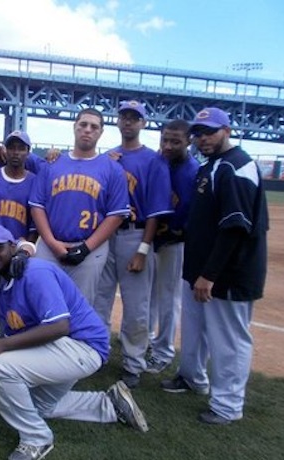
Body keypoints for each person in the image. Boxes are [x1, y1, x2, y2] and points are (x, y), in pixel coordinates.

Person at [0, 225, 148, 460]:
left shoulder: (34, 272)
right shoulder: (6, 284)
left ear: (12, 247)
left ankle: (37, 439)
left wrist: (0, 345)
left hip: (83, 347)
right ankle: (109, 404)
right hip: (66, 348)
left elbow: (59, 326)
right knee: (38, 406)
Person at [161, 107, 268, 426]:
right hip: (199, 270)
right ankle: (192, 377)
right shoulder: (212, 167)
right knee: (195, 332)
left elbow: (235, 228)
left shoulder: (237, 167)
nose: (203, 138)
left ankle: (228, 405)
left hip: (227, 274)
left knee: (229, 340)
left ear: (227, 130)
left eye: (210, 132)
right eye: (199, 133)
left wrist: (210, 274)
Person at [93, 100, 173, 389]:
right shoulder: (107, 157)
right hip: (105, 234)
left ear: (143, 123)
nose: (128, 122)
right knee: (98, 300)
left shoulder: (154, 160)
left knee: (136, 306)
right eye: (124, 117)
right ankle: (96, 355)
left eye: (134, 118)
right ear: (118, 121)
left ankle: (133, 364)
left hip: (135, 235)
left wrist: (143, 249)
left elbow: (155, 209)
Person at [29, 108, 130, 305]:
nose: (87, 130)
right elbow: (37, 206)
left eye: (94, 127)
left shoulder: (113, 169)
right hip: (50, 246)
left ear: (101, 133)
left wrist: (86, 248)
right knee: (41, 302)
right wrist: (51, 242)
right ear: (74, 127)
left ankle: (75, 338)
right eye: (83, 125)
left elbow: (116, 215)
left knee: (80, 307)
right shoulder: (52, 164)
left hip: (91, 249)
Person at [146, 120, 199, 374]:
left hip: (174, 243)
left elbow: (189, 216)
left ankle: (163, 351)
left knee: (168, 299)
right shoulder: (160, 161)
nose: (167, 145)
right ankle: (147, 341)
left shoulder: (191, 171)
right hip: (152, 240)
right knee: (150, 296)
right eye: (165, 139)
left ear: (188, 141)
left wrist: (170, 233)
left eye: (175, 141)